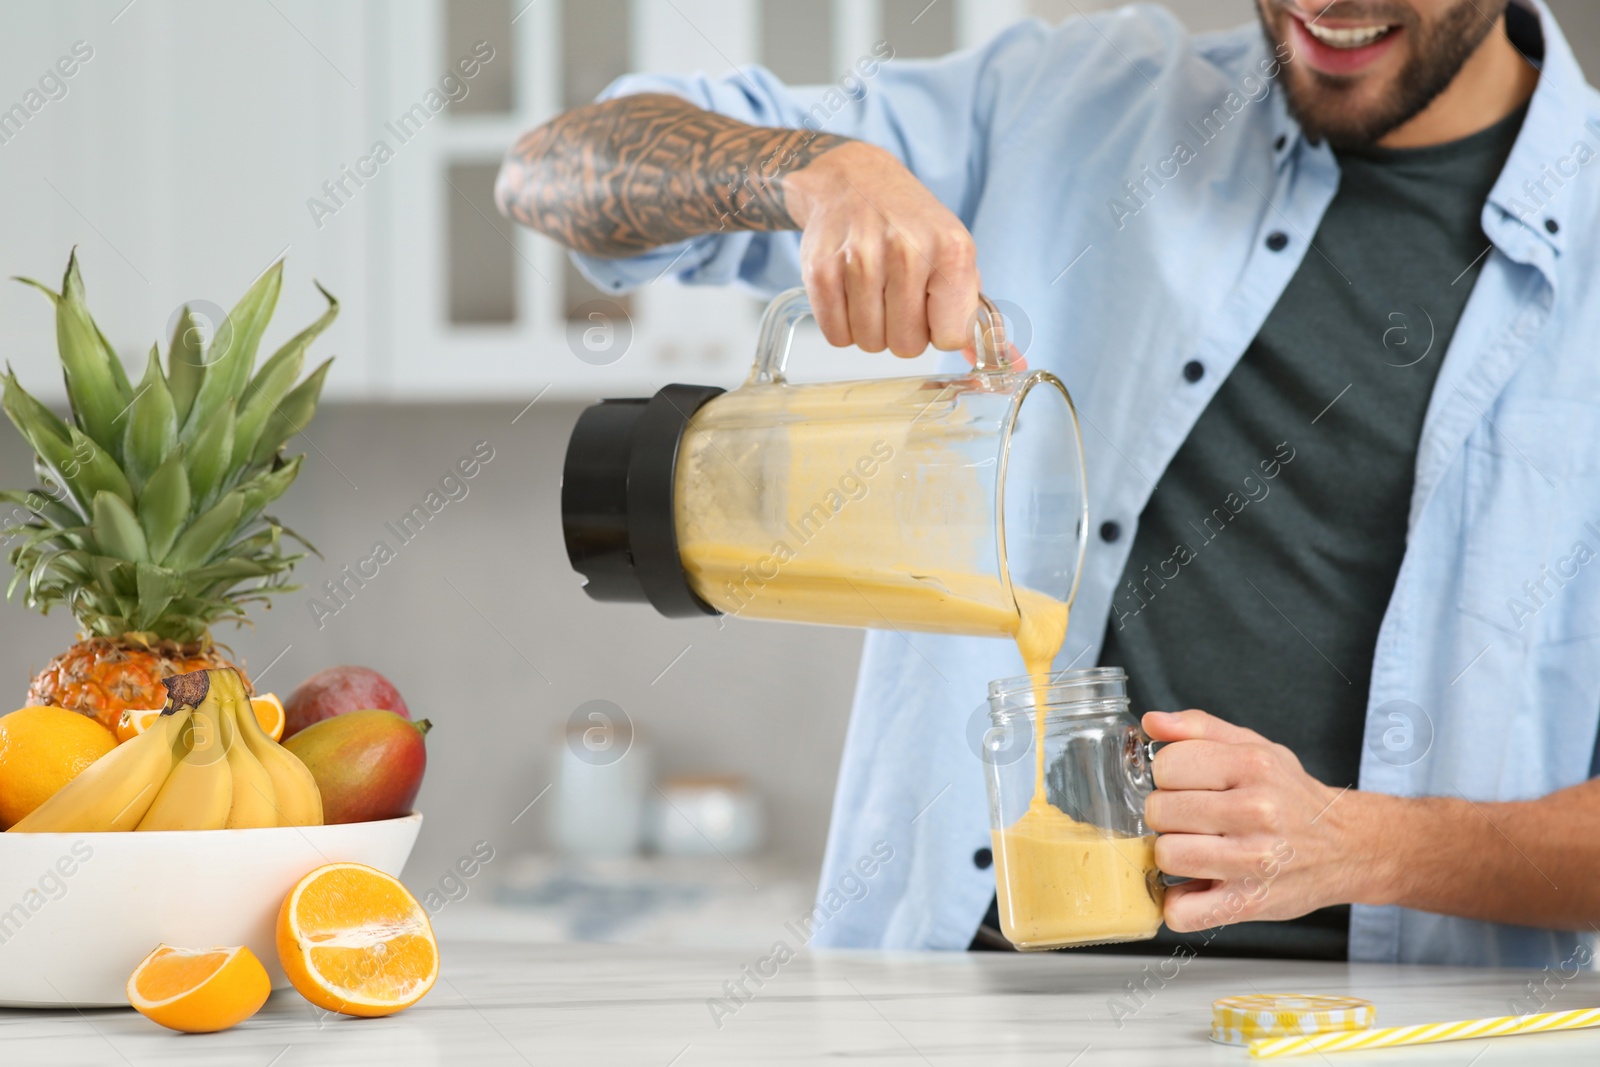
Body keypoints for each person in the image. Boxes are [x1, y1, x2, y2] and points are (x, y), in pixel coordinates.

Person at [497, 0, 1600, 968]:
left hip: (1370, 1031)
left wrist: (1364, 843)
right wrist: (818, 170)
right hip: (958, 994)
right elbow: (553, 171)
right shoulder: (1070, 107)